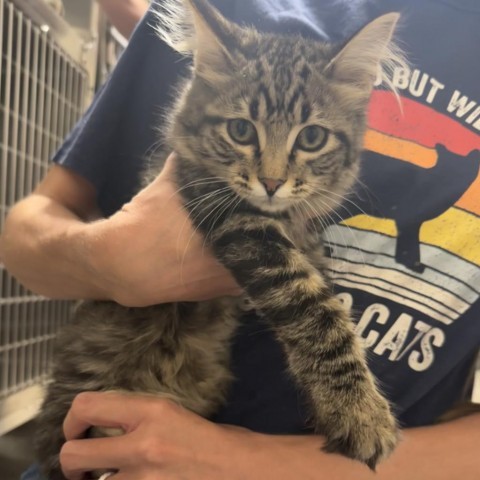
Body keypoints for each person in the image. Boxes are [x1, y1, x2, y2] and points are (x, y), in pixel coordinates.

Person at [1, 0, 480, 479]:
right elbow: (23, 232)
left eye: (309, 140)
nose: (271, 175)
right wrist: (110, 262)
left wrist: (244, 463)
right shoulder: (224, 22)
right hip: (107, 421)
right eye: (240, 130)